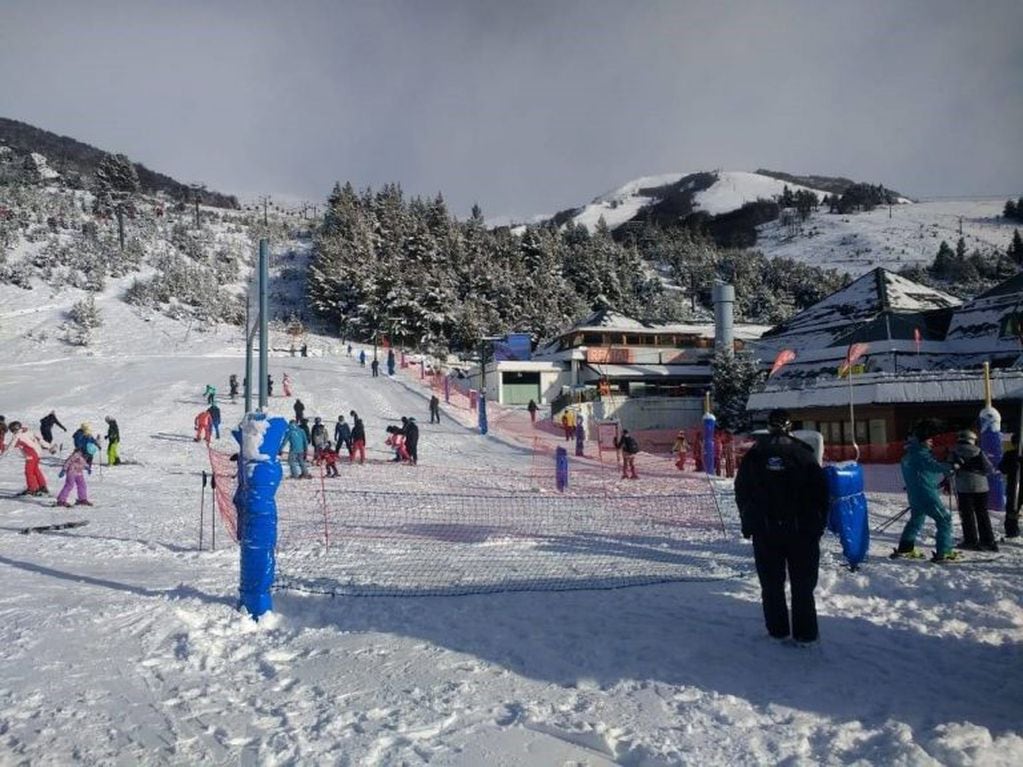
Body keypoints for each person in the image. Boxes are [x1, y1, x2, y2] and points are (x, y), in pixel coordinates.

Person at [735, 408, 829, 644]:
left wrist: (749, 522)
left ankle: (777, 630)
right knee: (802, 584)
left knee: (771, 584)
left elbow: (742, 491)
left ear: (769, 426)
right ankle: (805, 633)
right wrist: (816, 525)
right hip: (801, 530)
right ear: (789, 426)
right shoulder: (803, 453)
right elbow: (820, 493)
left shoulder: (755, 455)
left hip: (766, 530)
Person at [894, 418, 958, 561]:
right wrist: (951, 466)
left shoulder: (908, 455)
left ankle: (905, 548)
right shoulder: (921, 455)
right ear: (922, 440)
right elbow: (935, 466)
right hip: (927, 495)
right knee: (944, 519)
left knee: (916, 520)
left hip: (915, 495)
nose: (932, 442)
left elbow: (921, 474)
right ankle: (945, 551)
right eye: (929, 440)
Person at [951, 430, 998, 551]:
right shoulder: (978, 451)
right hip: (981, 487)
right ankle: (988, 540)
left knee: (967, 515)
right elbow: (989, 468)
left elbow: (950, 468)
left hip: (964, 488)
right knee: (982, 513)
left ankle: (970, 540)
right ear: (972, 439)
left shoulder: (955, 451)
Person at [8, 421, 52, 496]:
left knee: (28, 472)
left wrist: (3, 455)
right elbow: (39, 440)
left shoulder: (17, 435)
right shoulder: (28, 431)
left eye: (12, 430)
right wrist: (49, 446)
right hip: (38, 453)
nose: (12, 432)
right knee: (35, 470)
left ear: (14, 429)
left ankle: (32, 489)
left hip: (31, 454)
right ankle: (42, 486)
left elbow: (11, 446)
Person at [998, 433, 1022, 539]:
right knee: (1012, 509)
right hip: (1014, 486)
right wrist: (1012, 465)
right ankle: (1012, 530)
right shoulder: (1010, 454)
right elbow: (1002, 468)